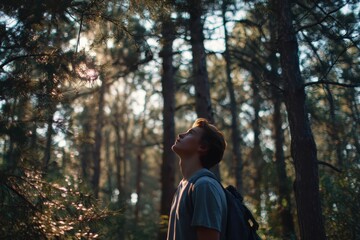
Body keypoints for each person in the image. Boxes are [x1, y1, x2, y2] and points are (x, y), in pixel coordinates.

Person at [166, 118, 228, 240]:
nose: (181, 134)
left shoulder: (204, 186)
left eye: (190, 133)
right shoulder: (184, 185)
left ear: (203, 147)